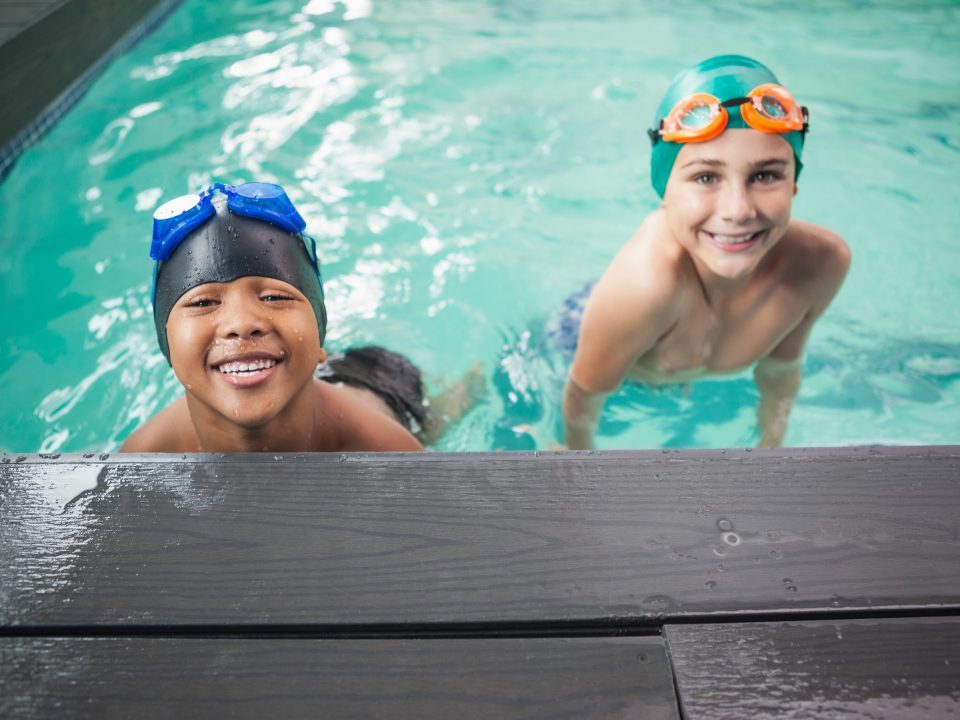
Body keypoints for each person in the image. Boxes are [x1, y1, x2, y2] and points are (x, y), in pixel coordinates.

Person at [562, 55, 851, 449]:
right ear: (665, 192)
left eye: (765, 175)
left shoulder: (820, 264)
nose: (738, 211)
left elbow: (781, 371)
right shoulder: (644, 288)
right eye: (705, 177)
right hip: (569, 342)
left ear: (794, 185)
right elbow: (581, 401)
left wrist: (772, 447)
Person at [121, 182, 423, 453]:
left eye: (274, 297)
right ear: (167, 344)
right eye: (203, 302)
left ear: (320, 336)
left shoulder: (384, 447)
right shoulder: (144, 455)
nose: (241, 323)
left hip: (381, 384)